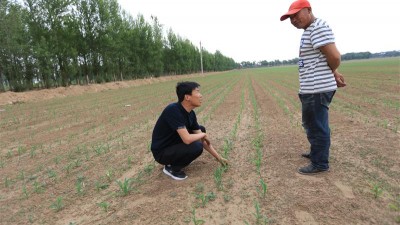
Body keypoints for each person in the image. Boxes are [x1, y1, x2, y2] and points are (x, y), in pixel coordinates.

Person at [280, 0, 346, 175]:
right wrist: (335, 73)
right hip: (313, 88)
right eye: (290, 17)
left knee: (317, 126)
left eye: (296, 14)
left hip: (317, 88)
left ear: (309, 10)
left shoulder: (317, 27)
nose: (293, 20)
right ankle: (317, 152)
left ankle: (320, 163)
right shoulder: (310, 29)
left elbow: (334, 56)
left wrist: (333, 70)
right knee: (312, 123)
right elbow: (322, 57)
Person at [151, 81, 228, 180]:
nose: (201, 95)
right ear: (187, 97)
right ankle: (172, 168)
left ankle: (177, 159)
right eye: (197, 92)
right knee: (196, 146)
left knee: (200, 130)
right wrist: (203, 135)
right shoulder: (173, 110)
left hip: (173, 144)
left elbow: (203, 139)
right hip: (162, 152)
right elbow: (187, 139)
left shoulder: (191, 114)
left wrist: (219, 158)